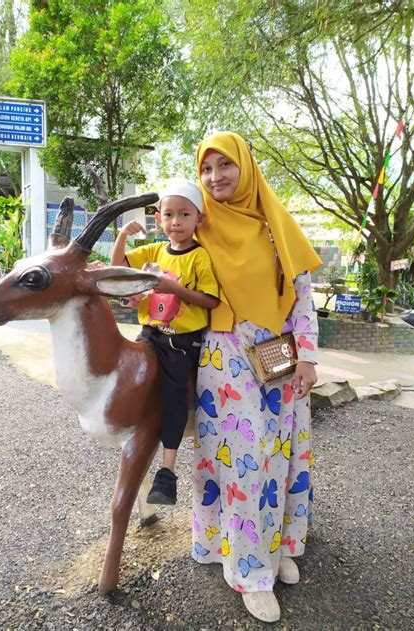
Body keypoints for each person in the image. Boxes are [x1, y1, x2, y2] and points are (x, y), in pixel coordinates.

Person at [191, 132, 322, 623]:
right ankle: (247, 569)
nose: (215, 177)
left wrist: (308, 356)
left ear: (245, 166)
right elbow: (167, 266)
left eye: (226, 165)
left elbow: (303, 292)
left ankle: (276, 545)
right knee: (242, 462)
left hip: (279, 354)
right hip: (225, 359)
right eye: (207, 168)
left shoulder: (275, 224)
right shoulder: (197, 223)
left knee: (284, 453)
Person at [111, 178, 219, 505]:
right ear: (159, 219)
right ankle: (127, 426)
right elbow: (120, 266)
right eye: (169, 215)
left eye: (184, 215)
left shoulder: (200, 257)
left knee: (173, 396)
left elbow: (211, 300)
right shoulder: (155, 250)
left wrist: (175, 290)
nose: (176, 222)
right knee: (125, 367)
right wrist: (122, 235)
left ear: (198, 219)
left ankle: (167, 472)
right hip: (150, 334)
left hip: (179, 342)